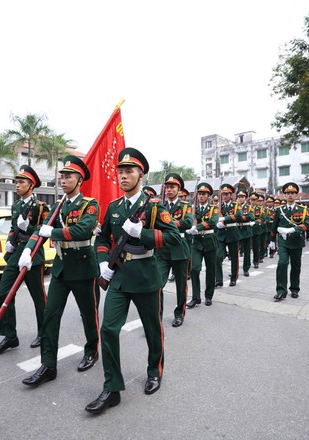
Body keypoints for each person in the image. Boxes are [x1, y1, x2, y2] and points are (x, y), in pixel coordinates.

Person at [85, 148, 181, 414]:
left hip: (146, 276)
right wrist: (103, 262)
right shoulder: (114, 207)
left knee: (152, 329)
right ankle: (112, 387)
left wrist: (143, 233)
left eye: (130, 171)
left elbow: (174, 238)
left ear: (141, 174)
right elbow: (103, 239)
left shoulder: (154, 206)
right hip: (119, 277)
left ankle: (154, 371)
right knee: (108, 330)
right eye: (121, 171)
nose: (124, 175)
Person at [21, 156, 101, 387]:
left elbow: (83, 231)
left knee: (89, 314)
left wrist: (52, 233)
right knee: (50, 315)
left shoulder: (89, 204)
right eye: (62, 176)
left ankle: (91, 350)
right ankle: (48, 365)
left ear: (79, 180)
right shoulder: (57, 207)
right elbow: (39, 230)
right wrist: (28, 250)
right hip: (61, 268)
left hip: (84, 266)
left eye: (68, 176)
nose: (63, 180)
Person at [0, 165, 50, 355]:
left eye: (21, 182)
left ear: (31, 185)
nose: (17, 185)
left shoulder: (41, 207)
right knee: (3, 294)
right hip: (16, 255)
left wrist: (29, 228)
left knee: (39, 298)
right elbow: (15, 228)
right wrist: (10, 242)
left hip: (33, 256)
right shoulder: (16, 206)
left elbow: (43, 234)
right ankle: (10, 336)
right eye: (16, 182)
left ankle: (44, 332)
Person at [156, 173, 192, 327]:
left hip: (179, 249)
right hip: (162, 250)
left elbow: (188, 222)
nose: (169, 190)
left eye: (173, 187)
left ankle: (179, 314)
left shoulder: (185, 206)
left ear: (179, 189)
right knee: (157, 284)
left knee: (181, 285)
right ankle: (156, 319)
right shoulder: (159, 206)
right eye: (167, 187)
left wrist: (169, 222)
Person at [271, 182, 309, 301]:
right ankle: (281, 291)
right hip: (283, 241)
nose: (290, 195)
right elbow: (274, 226)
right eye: (288, 193)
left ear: (296, 195)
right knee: (282, 263)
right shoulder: (279, 210)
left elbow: (308, 224)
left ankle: (294, 289)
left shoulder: (303, 210)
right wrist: (272, 241)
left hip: (296, 241)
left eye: (292, 193)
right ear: (284, 195)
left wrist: (294, 229)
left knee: (296, 266)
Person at [186, 182, 219, 308]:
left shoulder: (213, 208)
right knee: (195, 269)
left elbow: (213, 221)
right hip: (197, 242)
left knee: (211, 271)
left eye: (204, 194)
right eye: (199, 194)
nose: (201, 196)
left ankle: (209, 296)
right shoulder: (193, 208)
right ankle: (196, 297)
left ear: (208, 195)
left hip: (210, 242)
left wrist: (197, 227)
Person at [215, 184, 240, 287]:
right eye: (223, 194)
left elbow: (238, 215)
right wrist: (217, 223)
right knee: (217, 256)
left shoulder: (235, 205)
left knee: (234, 257)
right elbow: (214, 217)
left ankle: (233, 278)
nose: (224, 196)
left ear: (231, 195)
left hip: (232, 233)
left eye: (227, 194)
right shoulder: (218, 206)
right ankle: (219, 279)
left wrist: (224, 219)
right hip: (220, 234)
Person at [235, 189, 255, 277]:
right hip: (236, 231)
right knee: (235, 252)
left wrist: (239, 217)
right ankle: (234, 270)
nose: (240, 199)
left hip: (246, 231)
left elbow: (251, 217)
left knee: (247, 252)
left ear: (246, 198)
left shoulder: (249, 207)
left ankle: (246, 269)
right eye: (239, 197)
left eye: (242, 197)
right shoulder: (234, 207)